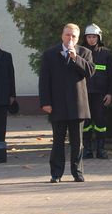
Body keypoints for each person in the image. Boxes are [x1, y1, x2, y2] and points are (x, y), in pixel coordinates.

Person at [39, 23, 94, 183]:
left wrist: (75, 58)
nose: (70, 38)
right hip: (57, 105)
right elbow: (44, 81)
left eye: (74, 36)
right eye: (68, 35)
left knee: (77, 142)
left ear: (77, 38)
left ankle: (77, 172)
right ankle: (56, 174)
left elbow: (90, 71)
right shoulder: (50, 54)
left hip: (78, 104)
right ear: (62, 36)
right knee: (58, 142)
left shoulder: (85, 53)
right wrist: (45, 102)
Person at [80, 24, 112, 159]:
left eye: (94, 37)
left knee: (100, 122)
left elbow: (111, 75)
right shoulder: (81, 52)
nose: (91, 39)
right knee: (86, 123)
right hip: (84, 94)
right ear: (85, 38)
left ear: (99, 37)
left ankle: (101, 149)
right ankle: (87, 149)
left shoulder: (106, 53)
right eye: (89, 37)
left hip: (101, 94)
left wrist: (110, 93)